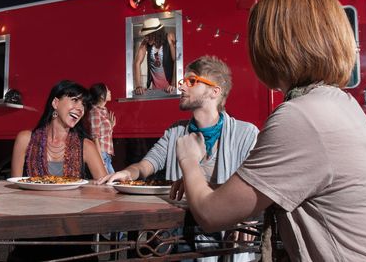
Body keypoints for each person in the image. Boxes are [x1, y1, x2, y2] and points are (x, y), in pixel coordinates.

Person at [174, 0, 366, 261]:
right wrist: (205, 186)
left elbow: (212, 214)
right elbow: (249, 196)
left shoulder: (300, 116)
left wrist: (188, 159)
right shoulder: (339, 103)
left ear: (271, 45)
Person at [99, 55, 259, 261]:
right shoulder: (176, 131)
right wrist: (127, 173)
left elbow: (257, 186)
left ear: (214, 91)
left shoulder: (245, 134)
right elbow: (148, 164)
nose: (181, 87)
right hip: (181, 236)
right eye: (182, 81)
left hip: (227, 239)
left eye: (191, 81)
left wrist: (248, 218)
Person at [11, 80, 108, 179]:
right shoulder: (25, 140)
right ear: (55, 103)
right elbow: (15, 184)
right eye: (75, 100)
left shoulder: (86, 146)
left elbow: (105, 189)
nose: (81, 109)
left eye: (83, 104)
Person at [133, 17, 177, 95]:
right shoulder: (145, 43)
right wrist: (138, 86)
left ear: (156, 33)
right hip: (154, 89)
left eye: (147, 35)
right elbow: (137, 63)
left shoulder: (169, 37)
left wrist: (173, 84)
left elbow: (176, 61)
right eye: (145, 35)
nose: (145, 37)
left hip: (170, 88)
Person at [89, 83, 116, 174]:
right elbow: (95, 138)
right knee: (111, 183)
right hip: (102, 154)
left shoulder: (104, 110)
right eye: (107, 90)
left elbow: (104, 134)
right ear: (101, 95)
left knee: (111, 183)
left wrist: (111, 126)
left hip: (107, 155)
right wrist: (101, 162)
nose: (110, 92)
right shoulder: (95, 112)